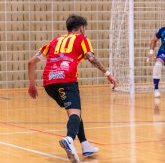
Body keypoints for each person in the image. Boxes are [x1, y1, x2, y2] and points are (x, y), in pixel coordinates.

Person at [27, 14, 117, 163]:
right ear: (81, 28)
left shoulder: (54, 40)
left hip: (49, 83)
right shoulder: (82, 39)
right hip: (67, 80)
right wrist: (108, 74)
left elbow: (31, 63)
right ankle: (69, 139)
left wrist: (31, 84)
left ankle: (85, 145)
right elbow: (91, 58)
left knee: (74, 112)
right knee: (75, 113)